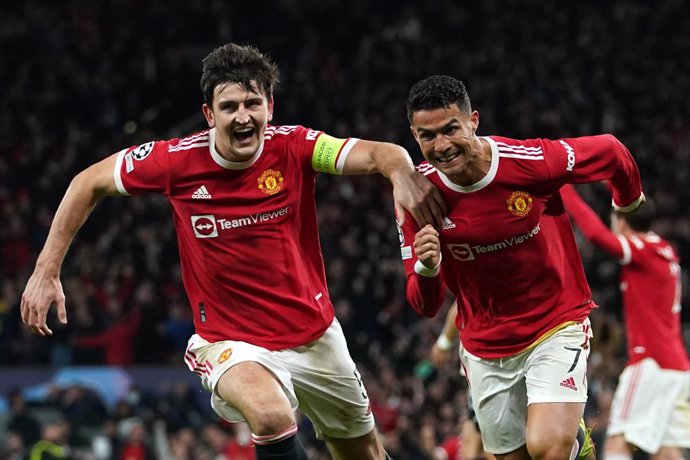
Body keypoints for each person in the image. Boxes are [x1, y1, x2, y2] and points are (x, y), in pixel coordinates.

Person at [20, 43, 446, 460]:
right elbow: (86, 183)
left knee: (363, 452)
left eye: (252, 103)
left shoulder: (296, 146)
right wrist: (46, 270)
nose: (243, 116)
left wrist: (401, 172)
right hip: (229, 340)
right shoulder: (175, 161)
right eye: (229, 107)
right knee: (269, 414)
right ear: (209, 114)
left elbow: (378, 153)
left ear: (269, 106)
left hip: (315, 336)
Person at [398, 75, 646, 460]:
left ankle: (571, 441)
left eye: (451, 129)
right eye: (428, 136)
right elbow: (425, 304)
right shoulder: (417, 198)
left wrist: (628, 207)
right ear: (415, 137)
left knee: (547, 447)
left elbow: (612, 152)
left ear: (473, 121)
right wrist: (428, 268)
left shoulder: (527, 163)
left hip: (555, 323)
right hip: (485, 346)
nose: (442, 146)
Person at [560, 185, 690, 460]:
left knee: (617, 443)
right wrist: (614, 182)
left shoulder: (641, 249)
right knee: (666, 452)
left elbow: (596, 235)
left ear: (620, 218)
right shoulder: (664, 249)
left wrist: (564, 188)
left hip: (651, 361)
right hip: (677, 368)